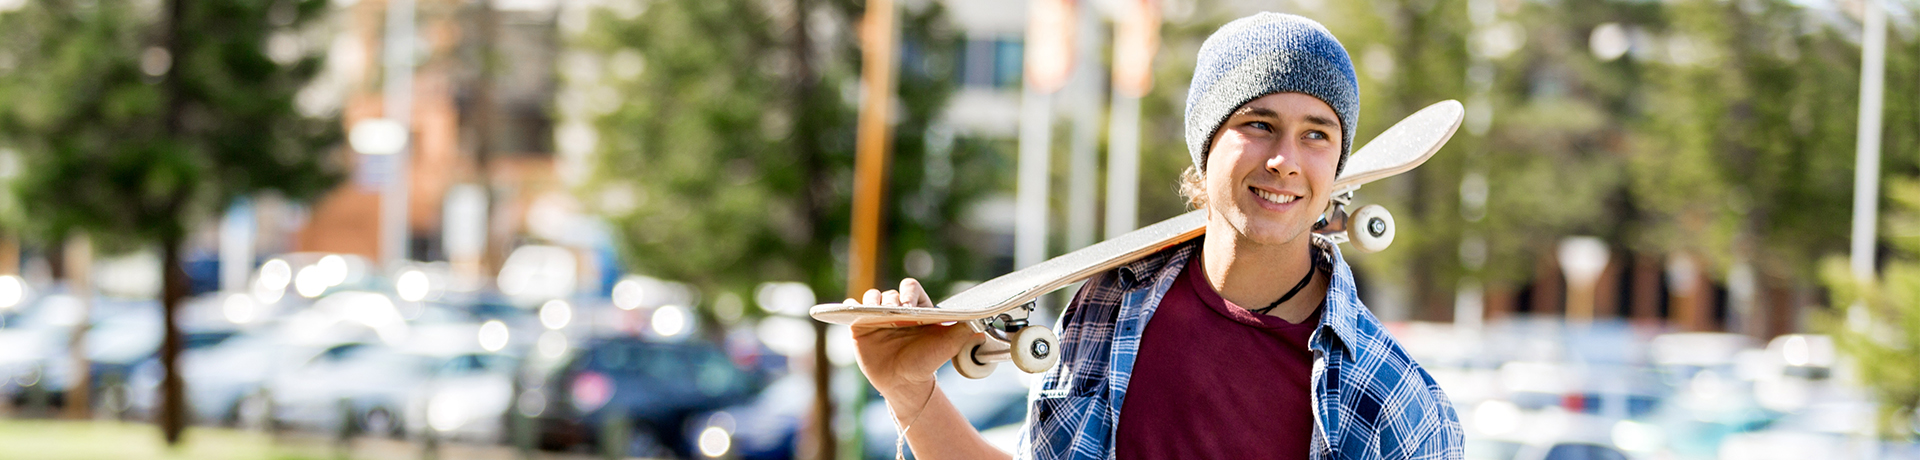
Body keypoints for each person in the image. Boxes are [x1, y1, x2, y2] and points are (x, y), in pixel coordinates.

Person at [849, 12, 1464, 460]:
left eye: (1316, 134)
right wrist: (912, 396)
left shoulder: (1393, 403)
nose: (1285, 159)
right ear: (1205, 145)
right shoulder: (1113, 306)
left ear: (1337, 163)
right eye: (1259, 124)